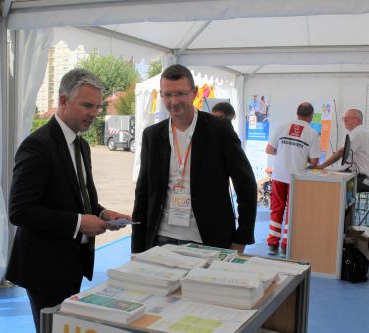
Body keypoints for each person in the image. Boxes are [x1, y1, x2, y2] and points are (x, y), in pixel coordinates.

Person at [6, 68, 131, 333]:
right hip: (44, 266)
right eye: (87, 105)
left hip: (71, 262)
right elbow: (20, 211)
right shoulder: (37, 146)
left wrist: (104, 213)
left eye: (97, 106)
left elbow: (79, 197)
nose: (94, 113)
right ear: (63, 101)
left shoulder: (81, 145)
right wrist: (78, 223)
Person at [132, 64, 257, 255]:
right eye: (168, 94)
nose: (174, 101)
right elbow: (143, 193)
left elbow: (246, 185)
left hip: (209, 238)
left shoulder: (219, 130)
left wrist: (242, 237)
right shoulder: (153, 135)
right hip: (161, 238)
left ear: (194, 93)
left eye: (181, 93)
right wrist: (137, 247)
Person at [265, 102, 320, 256]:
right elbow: (315, 162)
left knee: (276, 209)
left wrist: (284, 152)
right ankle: (285, 246)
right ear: (311, 116)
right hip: (297, 178)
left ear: (297, 113)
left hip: (278, 175)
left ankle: (272, 245)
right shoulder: (312, 133)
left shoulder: (282, 127)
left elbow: (269, 149)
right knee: (292, 211)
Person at [314, 109, 369, 192]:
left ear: (357, 120)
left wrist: (322, 166)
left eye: (348, 118)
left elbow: (341, 152)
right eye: (344, 118)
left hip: (358, 178)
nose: (345, 120)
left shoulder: (357, 132)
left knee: (324, 182)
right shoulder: (364, 132)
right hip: (363, 177)